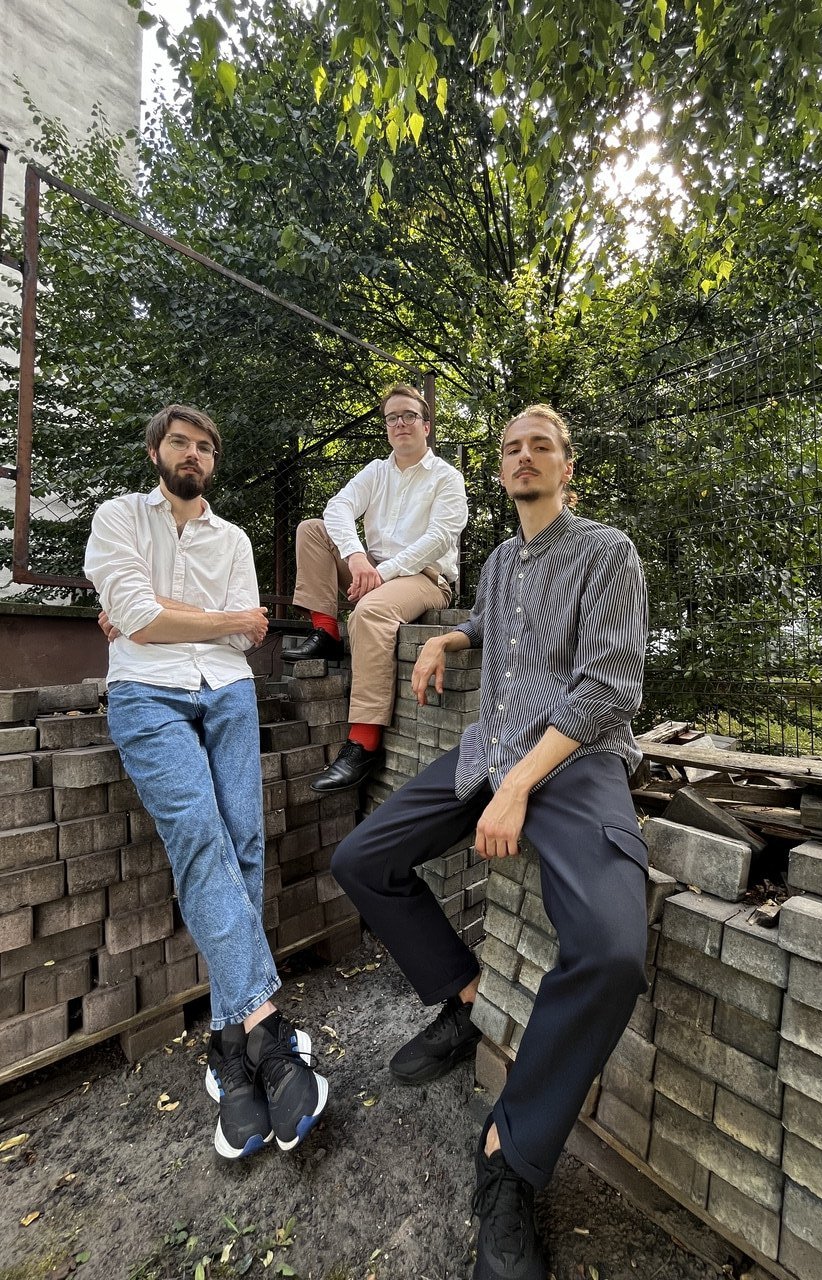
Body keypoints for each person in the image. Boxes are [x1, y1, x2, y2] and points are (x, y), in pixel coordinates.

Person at [332, 405, 649, 1279]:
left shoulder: (608, 551)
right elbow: (504, 625)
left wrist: (518, 786)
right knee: (362, 860)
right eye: (511, 448)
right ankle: (466, 1000)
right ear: (500, 470)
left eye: (540, 445)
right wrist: (453, 632)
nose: (523, 456)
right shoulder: (504, 561)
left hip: (573, 764)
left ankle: (511, 1152)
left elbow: (609, 687)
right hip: (490, 751)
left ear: (567, 466)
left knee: (613, 952)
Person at [84, 404, 328, 1161]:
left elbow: (244, 634)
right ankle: (267, 1032)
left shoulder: (235, 539)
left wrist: (165, 615)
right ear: (155, 451)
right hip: (146, 694)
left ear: (213, 461)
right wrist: (208, 618)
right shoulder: (118, 519)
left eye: (204, 447)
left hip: (226, 692)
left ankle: (228, 1048)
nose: (193, 454)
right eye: (180, 442)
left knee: (243, 845)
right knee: (198, 835)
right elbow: (141, 619)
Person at [286, 383, 468, 793]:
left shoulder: (446, 477)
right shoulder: (376, 471)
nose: (400, 423)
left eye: (409, 416)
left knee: (369, 613)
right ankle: (326, 633)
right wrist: (355, 557)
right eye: (392, 418)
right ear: (387, 428)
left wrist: (382, 574)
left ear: (425, 425)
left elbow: (439, 538)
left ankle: (363, 743)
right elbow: (338, 508)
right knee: (311, 530)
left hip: (425, 578)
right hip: (371, 569)